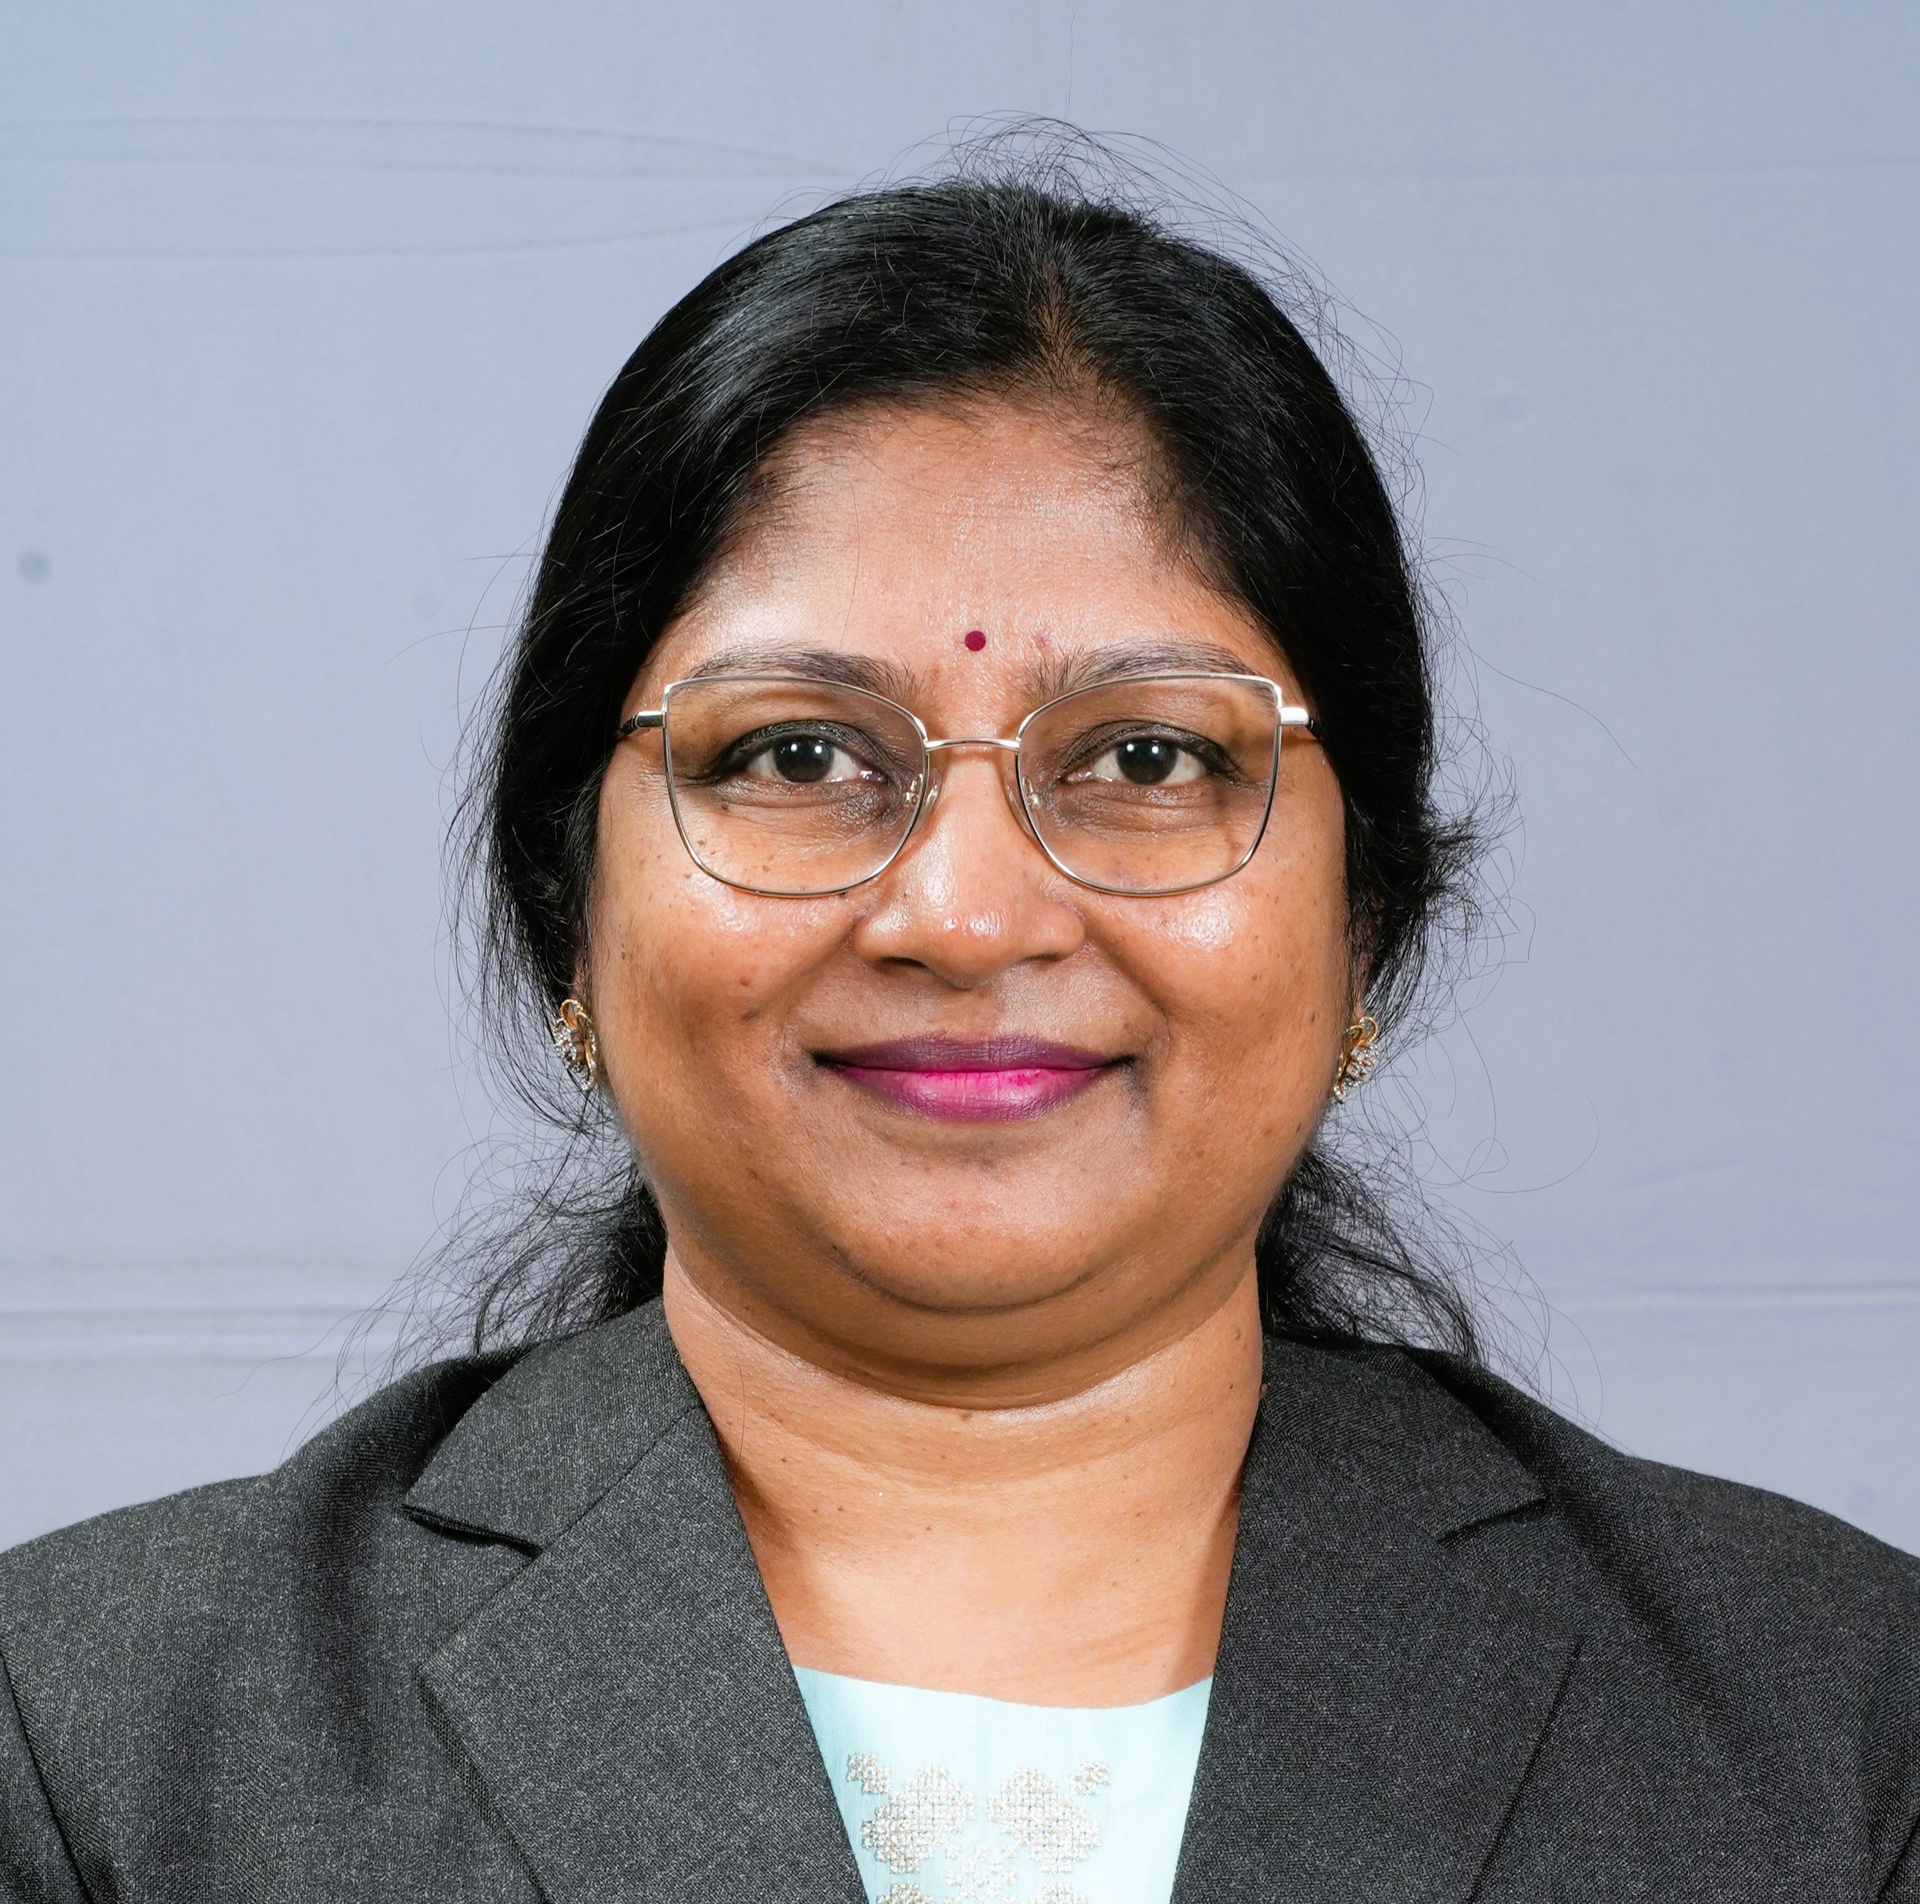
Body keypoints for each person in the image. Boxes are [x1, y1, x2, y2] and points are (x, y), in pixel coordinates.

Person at [2, 161, 1916, 1904]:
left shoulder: (1837, 1728)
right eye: (797, 756)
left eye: (1147, 757)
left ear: (1370, 925)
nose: (969, 917)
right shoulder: (97, 1743)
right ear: (567, 911)